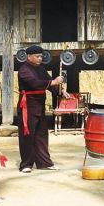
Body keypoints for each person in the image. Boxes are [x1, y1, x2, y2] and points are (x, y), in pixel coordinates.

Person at [18, 45, 68, 173]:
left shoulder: (41, 69)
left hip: (39, 106)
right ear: (29, 57)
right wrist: (53, 82)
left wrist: (61, 91)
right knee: (27, 135)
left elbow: (49, 83)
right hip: (27, 107)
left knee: (41, 135)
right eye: (37, 56)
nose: (40, 58)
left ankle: (44, 163)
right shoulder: (24, 70)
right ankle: (26, 164)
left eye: (41, 56)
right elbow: (34, 83)